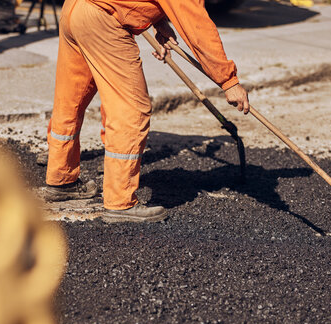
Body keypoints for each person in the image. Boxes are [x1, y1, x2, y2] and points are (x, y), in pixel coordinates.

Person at [43, 0, 250, 222]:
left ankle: (61, 180)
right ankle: (120, 203)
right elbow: (198, 30)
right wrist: (229, 82)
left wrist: (159, 21)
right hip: (102, 19)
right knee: (131, 109)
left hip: (75, 10)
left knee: (71, 98)